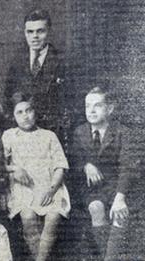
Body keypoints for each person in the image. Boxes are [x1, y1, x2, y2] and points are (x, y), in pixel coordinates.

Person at [71, 87, 139, 260]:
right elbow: (74, 159)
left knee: (119, 214)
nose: (91, 111)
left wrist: (120, 197)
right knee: (96, 207)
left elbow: (128, 167)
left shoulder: (124, 133)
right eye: (87, 106)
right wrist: (86, 165)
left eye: (98, 106)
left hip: (121, 187)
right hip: (94, 189)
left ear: (110, 109)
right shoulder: (80, 132)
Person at [2, 92, 69, 261]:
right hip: (23, 187)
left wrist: (52, 189)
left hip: (49, 185)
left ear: (35, 112)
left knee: (53, 217)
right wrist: (14, 168)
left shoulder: (48, 135)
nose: (25, 116)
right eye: (20, 112)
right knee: (28, 216)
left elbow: (60, 165)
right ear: (13, 116)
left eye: (29, 110)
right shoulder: (9, 135)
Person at [5, 9, 66, 134]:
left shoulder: (63, 61)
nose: (35, 37)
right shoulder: (17, 61)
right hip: (23, 132)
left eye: (40, 31)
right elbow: (8, 96)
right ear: (25, 33)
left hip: (53, 131)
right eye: (30, 32)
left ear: (49, 32)